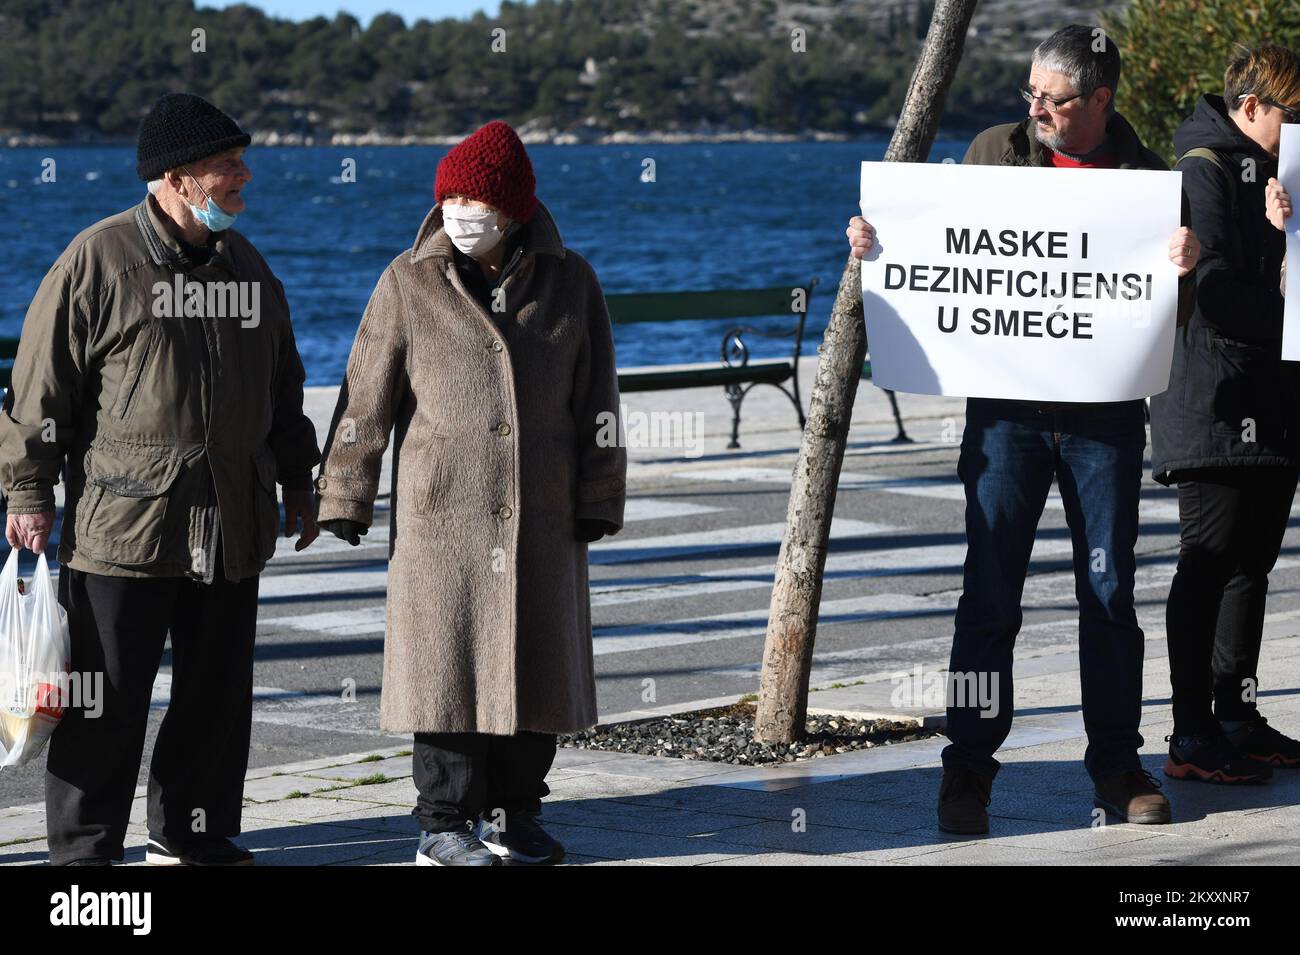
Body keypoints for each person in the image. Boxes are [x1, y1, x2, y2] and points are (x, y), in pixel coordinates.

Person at [847, 25, 1200, 834]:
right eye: (1030, 92)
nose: (1036, 107)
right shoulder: (993, 151)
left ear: (1100, 100)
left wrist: (1185, 268)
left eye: (1054, 97)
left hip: (1104, 422)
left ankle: (1117, 766)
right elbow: (941, 251)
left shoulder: (1147, 180)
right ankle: (967, 772)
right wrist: (875, 245)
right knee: (989, 593)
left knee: (1110, 592)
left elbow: (1171, 320)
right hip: (1005, 418)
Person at [0, 93, 321, 865]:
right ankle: (84, 856)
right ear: (175, 179)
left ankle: (191, 835)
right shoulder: (97, 259)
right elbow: (39, 393)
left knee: (215, 702)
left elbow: (283, 386)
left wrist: (300, 480)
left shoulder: (247, 265)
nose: (245, 175)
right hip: (123, 531)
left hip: (233, 525)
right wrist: (28, 492)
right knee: (104, 705)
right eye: (227, 165)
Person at [313, 120, 626, 866]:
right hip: (442, 519)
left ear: (512, 209)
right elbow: (365, 398)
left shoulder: (571, 281)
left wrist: (599, 493)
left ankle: (518, 814)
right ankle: (442, 823)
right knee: (445, 671)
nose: (459, 209)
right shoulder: (407, 280)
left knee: (537, 669)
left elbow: (600, 400)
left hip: (542, 516)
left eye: (475, 197)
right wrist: (344, 495)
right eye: (449, 194)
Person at [1151, 44, 1300, 784]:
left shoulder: (1269, 169)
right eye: (1294, 116)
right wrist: (1278, 237)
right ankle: (1190, 732)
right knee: (1207, 563)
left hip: (1270, 396)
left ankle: (1236, 713)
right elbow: (1216, 290)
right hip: (1214, 398)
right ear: (1251, 109)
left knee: (1252, 565)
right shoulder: (1206, 166)